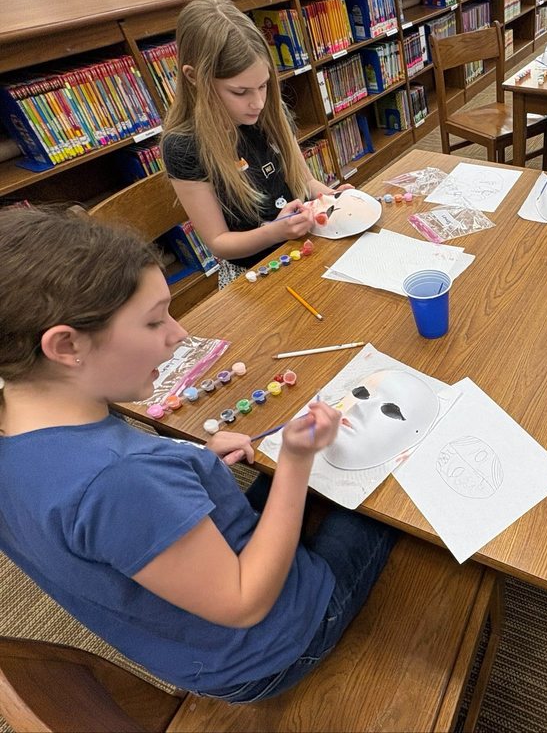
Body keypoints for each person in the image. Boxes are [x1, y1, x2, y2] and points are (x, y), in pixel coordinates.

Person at [0, 206, 396, 702]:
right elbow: (243, 603)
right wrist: (294, 464)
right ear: (64, 345)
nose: (179, 333)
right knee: (386, 488)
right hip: (266, 650)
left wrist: (191, 460)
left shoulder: (22, 419)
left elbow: (111, 519)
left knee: (313, 464)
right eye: (152, 322)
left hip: (188, 630)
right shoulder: (118, 481)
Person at [162, 0, 346, 288]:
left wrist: (331, 198)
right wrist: (276, 232)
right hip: (252, 275)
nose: (258, 102)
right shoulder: (184, 146)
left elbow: (305, 182)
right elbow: (220, 243)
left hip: (302, 247)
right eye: (240, 92)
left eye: (263, 86)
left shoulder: (270, 112)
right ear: (194, 77)